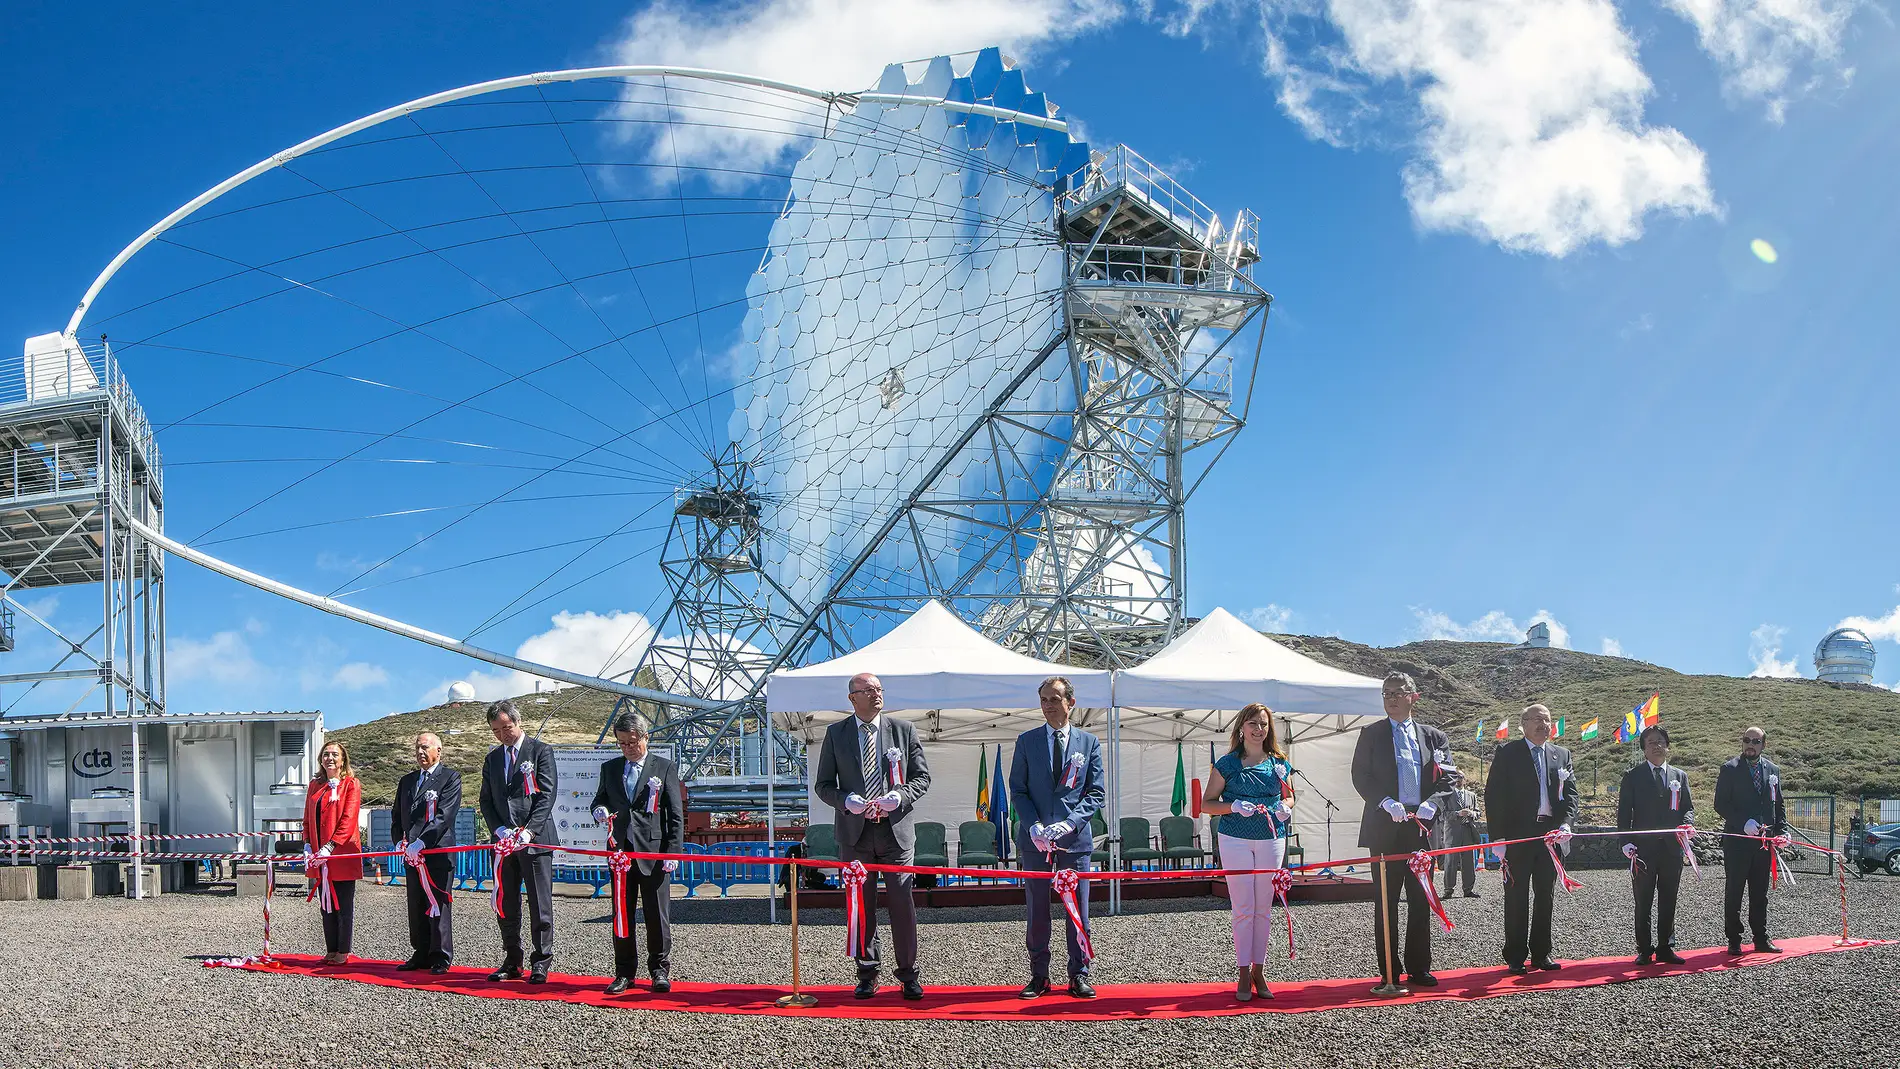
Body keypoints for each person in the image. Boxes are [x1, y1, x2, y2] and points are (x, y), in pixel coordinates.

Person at [811, 671, 931, 1000]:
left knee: (902, 905)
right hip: (855, 834)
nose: (877, 693)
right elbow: (823, 786)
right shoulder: (836, 734)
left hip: (896, 833)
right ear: (852, 698)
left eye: (879, 688)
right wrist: (846, 801)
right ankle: (867, 971)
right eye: (868, 689)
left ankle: (908, 974)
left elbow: (922, 778)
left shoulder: (903, 730)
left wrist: (901, 796)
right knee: (861, 906)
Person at [1350, 671, 1457, 995]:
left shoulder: (1434, 738)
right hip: (1385, 827)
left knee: (1421, 898)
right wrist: (1384, 802)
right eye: (1386, 694)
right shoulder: (1371, 733)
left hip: (1421, 829)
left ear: (1414, 696)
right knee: (1386, 902)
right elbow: (1360, 775)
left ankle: (1419, 966)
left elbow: (1448, 779)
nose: (1391, 699)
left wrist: (1433, 804)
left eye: (1398, 693)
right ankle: (1389, 970)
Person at [1009, 676, 1108, 1001]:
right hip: (1035, 842)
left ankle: (1078, 974)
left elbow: (1095, 793)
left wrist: (1070, 824)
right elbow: (1019, 789)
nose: (1049, 706)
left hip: (1074, 842)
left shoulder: (1089, 743)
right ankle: (1039, 976)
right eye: (1044, 700)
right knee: (1037, 909)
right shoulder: (1027, 740)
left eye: (1054, 699)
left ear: (1071, 702)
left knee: (1076, 909)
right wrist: (1033, 825)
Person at [1200, 702, 1293, 1002]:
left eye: (1264, 724)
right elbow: (1206, 804)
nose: (1258, 729)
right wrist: (1233, 807)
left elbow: (1289, 797)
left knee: (1263, 907)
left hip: (1271, 837)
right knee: (1243, 907)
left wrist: (1284, 808)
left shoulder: (1279, 762)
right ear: (1241, 727)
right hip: (1235, 838)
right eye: (1253, 723)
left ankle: (1259, 970)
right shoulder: (1227, 764)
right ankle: (1242, 970)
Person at [589, 712, 684, 995]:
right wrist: (598, 811)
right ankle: (624, 972)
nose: (628, 749)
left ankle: (658, 970)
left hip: (654, 854)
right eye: (622, 744)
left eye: (632, 743)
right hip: (620, 855)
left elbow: (675, 815)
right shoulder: (610, 768)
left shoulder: (664, 767)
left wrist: (673, 853)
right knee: (621, 915)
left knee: (657, 915)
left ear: (645, 738)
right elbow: (599, 799)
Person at [1484, 703, 1580, 975]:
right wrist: (1498, 838)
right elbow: (1494, 795)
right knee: (1516, 896)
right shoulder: (1508, 752)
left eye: (1547, 720)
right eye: (1536, 719)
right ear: (1523, 724)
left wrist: (1565, 824)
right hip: (1518, 837)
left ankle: (1541, 953)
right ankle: (1515, 956)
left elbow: (1571, 795)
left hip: (1549, 838)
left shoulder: (1562, 755)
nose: (1542, 725)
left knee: (1545, 896)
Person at [478, 699, 560, 982]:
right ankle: (512, 959)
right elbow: (486, 801)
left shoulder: (540, 751)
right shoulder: (492, 759)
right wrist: (499, 829)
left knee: (540, 902)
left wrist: (529, 831)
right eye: (496, 731)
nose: (503, 735)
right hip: (504, 843)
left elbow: (546, 795)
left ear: (518, 722)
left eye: (507, 728)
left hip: (534, 841)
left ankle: (541, 961)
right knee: (506, 902)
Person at [1616, 725, 1693, 965]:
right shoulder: (1633, 776)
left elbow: (1687, 808)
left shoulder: (1680, 776)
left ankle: (1666, 947)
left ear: (1667, 747)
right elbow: (1623, 814)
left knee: (1669, 898)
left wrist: (1687, 824)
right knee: (1643, 900)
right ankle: (1644, 948)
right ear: (1644, 749)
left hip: (1671, 849)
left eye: (1660, 741)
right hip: (1643, 850)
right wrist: (1626, 841)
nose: (1656, 746)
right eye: (1651, 742)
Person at [391, 732, 461, 974]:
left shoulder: (450, 778)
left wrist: (421, 842)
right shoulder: (407, 781)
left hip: (437, 853)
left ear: (438, 751)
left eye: (425, 748)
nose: (420, 752)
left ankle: (441, 955)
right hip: (411, 855)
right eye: (417, 748)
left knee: (438, 903)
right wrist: (399, 842)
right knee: (416, 903)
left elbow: (444, 817)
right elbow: (397, 817)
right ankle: (420, 952)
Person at [1714, 726, 1787, 955]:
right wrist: (1742, 822)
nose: (1751, 745)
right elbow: (1720, 804)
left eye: (1756, 741)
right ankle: (1734, 939)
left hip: (1764, 845)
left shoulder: (1773, 770)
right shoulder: (1729, 769)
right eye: (1747, 740)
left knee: (1760, 893)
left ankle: (1760, 938)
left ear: (1763, 745)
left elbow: (1778, 805)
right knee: (1734, 891)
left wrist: (1782, 831)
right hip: (1737, 843)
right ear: (1742, 742)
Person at [302, 740, 363, 965]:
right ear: (321, 759)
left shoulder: (351, 784)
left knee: (343, 905)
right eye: (326, 754)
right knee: (325, 904)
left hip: (341, 854)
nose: (330, 758)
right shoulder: (315, 785)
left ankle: (343, 951)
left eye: (335, 755)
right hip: (320, 858)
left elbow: (348, 819)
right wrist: (307, 843)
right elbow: (308, 817)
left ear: (343, 759)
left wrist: (331, 845)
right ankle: (331, 948)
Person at [1428, 778, 1481, 899]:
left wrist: (1472, 814)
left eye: (1461, 777)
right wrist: (1457, 813)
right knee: (1450, 861)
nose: (1458, 780)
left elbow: (1478, 812)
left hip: (1468, 831)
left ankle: (1468, 889)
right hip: (1452, 832)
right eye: (1456, 777)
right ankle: (1448, 890)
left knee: (1469, 861)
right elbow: (1442, 814)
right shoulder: (1448, 795)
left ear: (1465, 780)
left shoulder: (1471, 795)